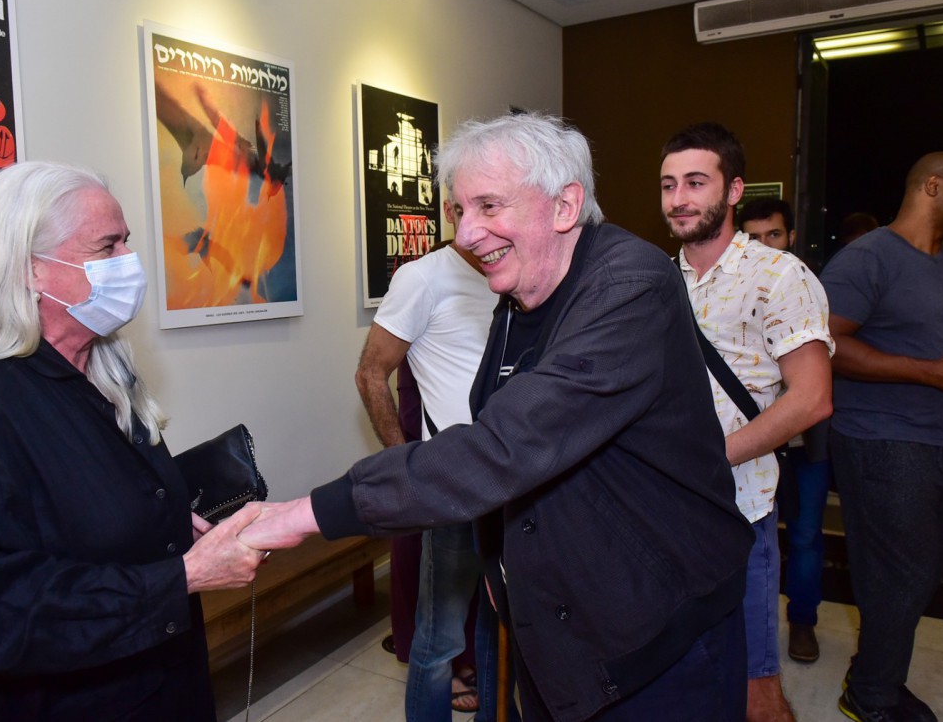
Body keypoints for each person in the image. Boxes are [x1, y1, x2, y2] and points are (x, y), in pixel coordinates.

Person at [242, 112, 755, 722]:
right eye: (460, 211)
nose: (466, 233)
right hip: (566, 629)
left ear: (565, 206)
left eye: (488, 205)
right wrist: (499, 565)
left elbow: (506, 445)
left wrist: (303, 515)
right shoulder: (518, 294)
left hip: (659, 638)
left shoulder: (630, 284)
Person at [0, 161, 268, 721]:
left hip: (153, 685)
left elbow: (78, 511)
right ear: (31, 269)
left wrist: (168, 526)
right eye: (106, 247)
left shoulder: (107, 371)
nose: (128, 263)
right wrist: (185, 576)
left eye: (127, 241)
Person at [661, 123, 833, 722]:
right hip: (666, 510)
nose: (679, 198)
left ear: (733, 191)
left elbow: (811, 399)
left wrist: (713, 455)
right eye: (668, 184)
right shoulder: (658, 279)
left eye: (696, 182)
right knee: (682, 675)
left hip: (740, 508)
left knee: (756, 688)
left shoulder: (780, 275)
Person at [820, 152, 943, 722]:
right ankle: (871, 697)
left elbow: (934, 345)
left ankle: (877, 674)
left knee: (915, 579)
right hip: (884, 442)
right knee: (897, 578)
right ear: (933, 186)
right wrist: (929, 372)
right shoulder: (866, 258)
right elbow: (827, 346)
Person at [354, 210, 500, 720]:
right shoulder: (423, 277)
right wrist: (405, 466)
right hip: (453, 483)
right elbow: (371, 374)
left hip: (511, 480)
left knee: (494, 627)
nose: (479, 219)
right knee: (439, 636)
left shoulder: (510, 271)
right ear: (452, 211)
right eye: (466, 206)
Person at [738, 197, 833, 665]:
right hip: (754, 446)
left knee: (805, 535)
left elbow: (815, 381)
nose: (764, 247)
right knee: (757, 539)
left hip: (801, 445)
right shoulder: (731, 290)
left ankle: (803, 622)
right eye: (752, 238)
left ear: (791, 236)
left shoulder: (801, 285)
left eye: (773, 235)